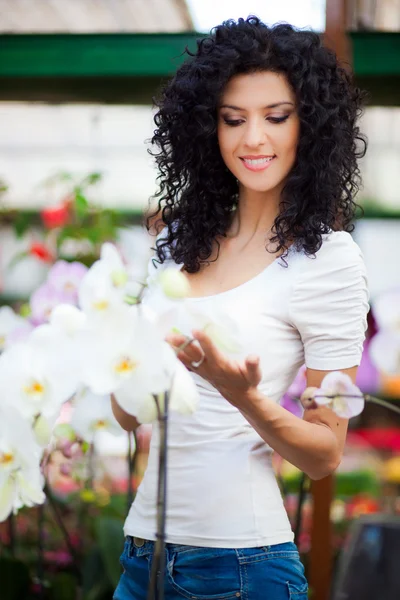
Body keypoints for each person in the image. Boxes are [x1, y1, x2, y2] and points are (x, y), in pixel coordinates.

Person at [112, 16, 369, 600]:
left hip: (241, 567)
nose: (253, 138)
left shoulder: (327, 261)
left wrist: (245, 396)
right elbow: (129, 416)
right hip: (140, 559)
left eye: (276, 116)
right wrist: (122, 357)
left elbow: (325, 455)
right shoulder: (174, 246)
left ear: (312, 125)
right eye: (233, 119)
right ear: (208, 130)